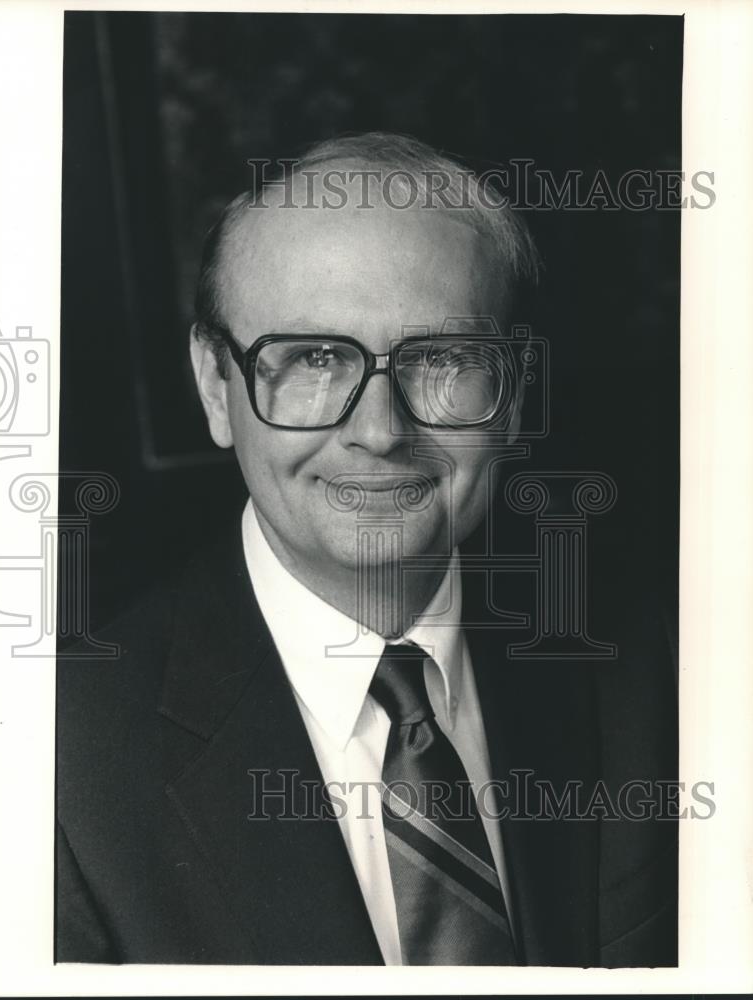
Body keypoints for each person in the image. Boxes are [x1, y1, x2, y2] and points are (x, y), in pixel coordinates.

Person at [56, 132, 677, 966]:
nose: (379, 432)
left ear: (515, 390)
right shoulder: (49, 759)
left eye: (442, 359)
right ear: (214, 385)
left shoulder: (664, 672)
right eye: (313, 358)